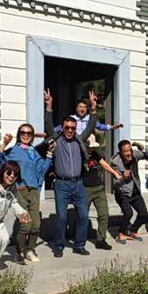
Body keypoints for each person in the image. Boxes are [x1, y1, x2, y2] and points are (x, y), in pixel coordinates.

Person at [44, 89, 99, 258]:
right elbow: (49, 126)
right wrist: (49, 106)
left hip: (78, 184)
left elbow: (90, 126)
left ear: (75, 129)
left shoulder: (79, 140)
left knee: (83, 215)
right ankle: (59, 246)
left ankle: (79, 245)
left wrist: (93, 108)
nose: (69, 130)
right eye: (67, 127)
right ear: (63, 128)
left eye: (72, 128)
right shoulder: (57, 140)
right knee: (61, 218)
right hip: (61, 184)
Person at [0, 123, 53, 263]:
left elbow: (42, 170)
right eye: (23, 132)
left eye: (29, 133)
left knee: (36, 225)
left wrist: (50, 154)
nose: (26, 135)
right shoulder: (13, 151)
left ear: (32, 136)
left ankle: (30, 250)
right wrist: (4, 144)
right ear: (19, 134)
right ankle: (19, 252)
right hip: (19, 191)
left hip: (34, 192)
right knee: (25, 224)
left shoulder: (34, 152)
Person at [83, 134, 122, 250]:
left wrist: (115, 173)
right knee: (83, 215)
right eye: (90, 147)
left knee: (103, 214)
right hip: (85, 189)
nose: (91, 149)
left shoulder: (95, 154)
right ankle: (80, 240)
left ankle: (101, 240)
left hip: (99, 188)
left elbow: (104, 165)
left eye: (93, 147)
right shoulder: (78, 154)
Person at [111, 140, 148, 243]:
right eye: (125, 151)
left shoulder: (135, 154)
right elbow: (115, 184)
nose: (129, 153)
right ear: (121, 152)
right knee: (128, 214)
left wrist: (142, 149)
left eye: (130, 150)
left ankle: (133, 230)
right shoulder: (115, 162)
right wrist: (123, 178)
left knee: (144, 214)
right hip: (122, 193)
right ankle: (121, 233)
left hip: (135, 191)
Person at [53, 98, 124, 136]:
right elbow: (59, 128)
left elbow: (100, 126)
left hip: (85, 143)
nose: (82, 109)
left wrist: (115, 127)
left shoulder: (89, 119)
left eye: (84, 107)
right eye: (80, 107)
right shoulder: (71, 118)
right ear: (76, 108)